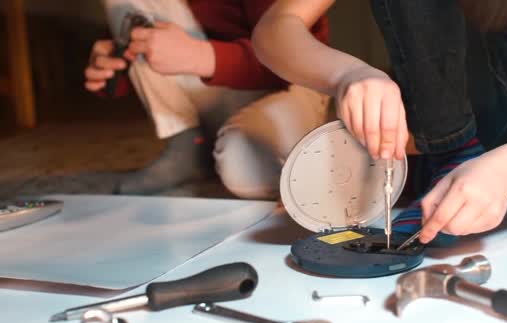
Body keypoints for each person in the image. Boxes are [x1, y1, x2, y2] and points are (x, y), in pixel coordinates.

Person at [252, 0, 507, 244]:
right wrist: (348, 74)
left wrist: (505, 173)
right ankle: (454, 156)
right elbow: (275, 29)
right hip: (461, 135)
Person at [84, 0, 330, 199]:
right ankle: (187, 143)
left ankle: (218, 148)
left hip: (291, 82)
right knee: (124, 4)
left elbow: (292, 58)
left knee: (247, 171)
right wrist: (113, 68)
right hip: (214, 84)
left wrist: (199, 56)